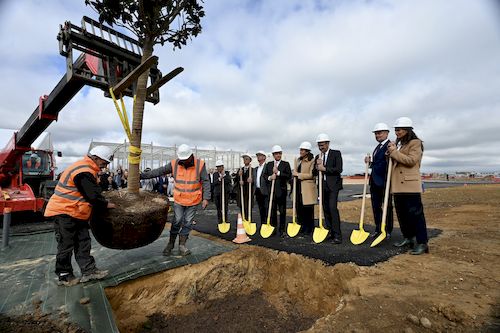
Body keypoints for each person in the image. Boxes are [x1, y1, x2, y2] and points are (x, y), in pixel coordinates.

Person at [44, 146, 116, 286]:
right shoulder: (83, 171)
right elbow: (92, 195)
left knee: (83, 242)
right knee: (66, 244)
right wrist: (106, 204)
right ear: (95, 157)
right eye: (105, 162)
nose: (105, 165)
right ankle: (64, 275)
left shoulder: (88, 169)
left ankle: (89, 271)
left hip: (76, 212)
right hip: (64, 212)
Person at [141, 144, 210, 256]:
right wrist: (142, 176)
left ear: (190, 156)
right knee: (177, 221)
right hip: (179, 199)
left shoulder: (200, 165)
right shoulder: (175, 164)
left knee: (187, 223)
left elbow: (206, 181)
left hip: (193, 200)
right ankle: (171, 243)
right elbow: (159, 171)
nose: (183, 161)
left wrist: (206, 198)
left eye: (185, 159)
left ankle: (182, 245)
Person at [387, 117, 429, 255]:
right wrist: (391, 153)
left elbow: (411, 161)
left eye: (399, 130)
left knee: (415, 215)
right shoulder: (399, 145)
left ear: (407, 130)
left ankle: (422, 243)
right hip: (397, 186)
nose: (397, 132)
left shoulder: (415, 143)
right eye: (396, 130)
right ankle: (408, 238)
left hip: (410, 186)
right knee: (402, 215)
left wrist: (394, 152)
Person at [313, 133, 343, 244]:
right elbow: (314, 173)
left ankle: (337, 235)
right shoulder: (318, 157)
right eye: (319, 145)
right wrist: (317, 166)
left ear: (328, 143)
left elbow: (339, 169)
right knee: (325, 210)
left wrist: (324, 168)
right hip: (322, 186)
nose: (321, 147)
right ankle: (330, 232)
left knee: (332, 208)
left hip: (333, 185)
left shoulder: (336, 153)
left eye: (322, 145)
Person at [365, 123, 394, 239]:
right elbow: (378, 164)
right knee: (376, 207)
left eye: (380, 133)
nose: (377, 135)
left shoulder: (390, 146)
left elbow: (386, 164)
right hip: (374, 182)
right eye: (376, 133)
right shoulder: (377, 148)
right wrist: (370, 162)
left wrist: (374, 165)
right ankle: (378, 229)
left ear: (387, 133)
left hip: (385, 182)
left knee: (387, 207)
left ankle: (387, 230)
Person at [262, 145, 291, 237]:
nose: (278, 155)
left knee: (282, 212)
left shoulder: (285, 164)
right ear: (273, 154)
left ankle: (282, 230)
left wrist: (278, 173)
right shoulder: (269, 164)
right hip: (271, 192)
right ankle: (273, 229)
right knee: (272, 211)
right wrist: (270, 177)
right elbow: (265, 176)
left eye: (280, 153)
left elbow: (288, 176)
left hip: (281, 192)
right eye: (276, 153)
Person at [292, 142, 317, 235]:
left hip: (307, 188)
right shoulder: (298, 160)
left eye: (302, 150)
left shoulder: (312, 161)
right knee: (299, 208)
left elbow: (311, 175)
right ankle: (302, 226)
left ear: (307, 151)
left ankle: (309, 228)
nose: (300, 152)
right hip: (298, 187)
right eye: (300, 150)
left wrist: (298, 174)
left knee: (308, 209)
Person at [253, 151, 268, 226]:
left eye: (260, 155)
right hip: (258, 191)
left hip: (265, 191)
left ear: (264, 157)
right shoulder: (256, 169)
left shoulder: (267, 167)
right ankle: (263, 224)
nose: (258, 157)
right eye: (257, 156)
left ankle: (267, 224)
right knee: (261, 209)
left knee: (266, 208)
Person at [237, 153, 254, 221]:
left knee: (248, 207)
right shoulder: (240, 170)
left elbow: (255, 180)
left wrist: (252, 180)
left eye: (246, 159)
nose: (245, 160)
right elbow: (235, 180)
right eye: (244, 159)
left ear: (250, 160)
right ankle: (243, 220)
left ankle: (248, 220)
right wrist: (239, 177)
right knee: (242, 207)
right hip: (242, 192)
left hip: (249, 192)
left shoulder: (252, 170)